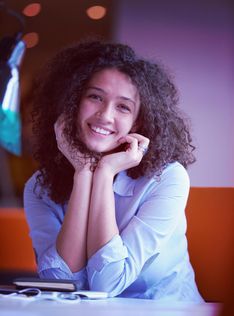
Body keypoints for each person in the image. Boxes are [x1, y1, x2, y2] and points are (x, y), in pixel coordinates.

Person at [24, 39, 203, 302]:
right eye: (95, 97)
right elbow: (59, 285)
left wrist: (105, 173)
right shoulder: (40, 187)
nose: (105, 116)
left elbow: (107, 284)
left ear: (138, 121)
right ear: (71, 103)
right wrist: (85, 172)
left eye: (123, 106)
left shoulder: (167, 178)